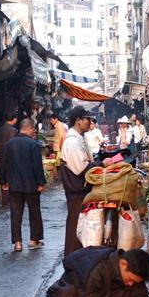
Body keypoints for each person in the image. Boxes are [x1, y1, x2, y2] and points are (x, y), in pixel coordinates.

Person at [59, 106, 102, 256]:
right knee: (75, 227)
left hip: (80, 190)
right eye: (87, 119)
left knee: (79, 226)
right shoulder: (72, 142)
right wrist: (101, 164)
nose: (89, 122)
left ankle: (76, 259)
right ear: (78, 121)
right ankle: (73, 260)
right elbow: (81, 168)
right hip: (77, 189)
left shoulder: (79, 138)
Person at [0, 118, 46, 252]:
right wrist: (41, 182)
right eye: (33, 130)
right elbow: (37, 166)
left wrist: (2, 181)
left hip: (15, 185)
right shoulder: (33, 144)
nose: (33, 132)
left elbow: (2, 164)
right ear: (29, 128)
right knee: (34, 212)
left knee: (16, 213)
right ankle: (34, 240)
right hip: (31, 185)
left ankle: (17, 243)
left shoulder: (9, 144)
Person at [0, 113, 19, 207]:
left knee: (3, 177)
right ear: (14, 119)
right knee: (12, 178)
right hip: (12, 157)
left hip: (1, 157)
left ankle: (4, 200)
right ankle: (11, 200)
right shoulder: (14, 131)